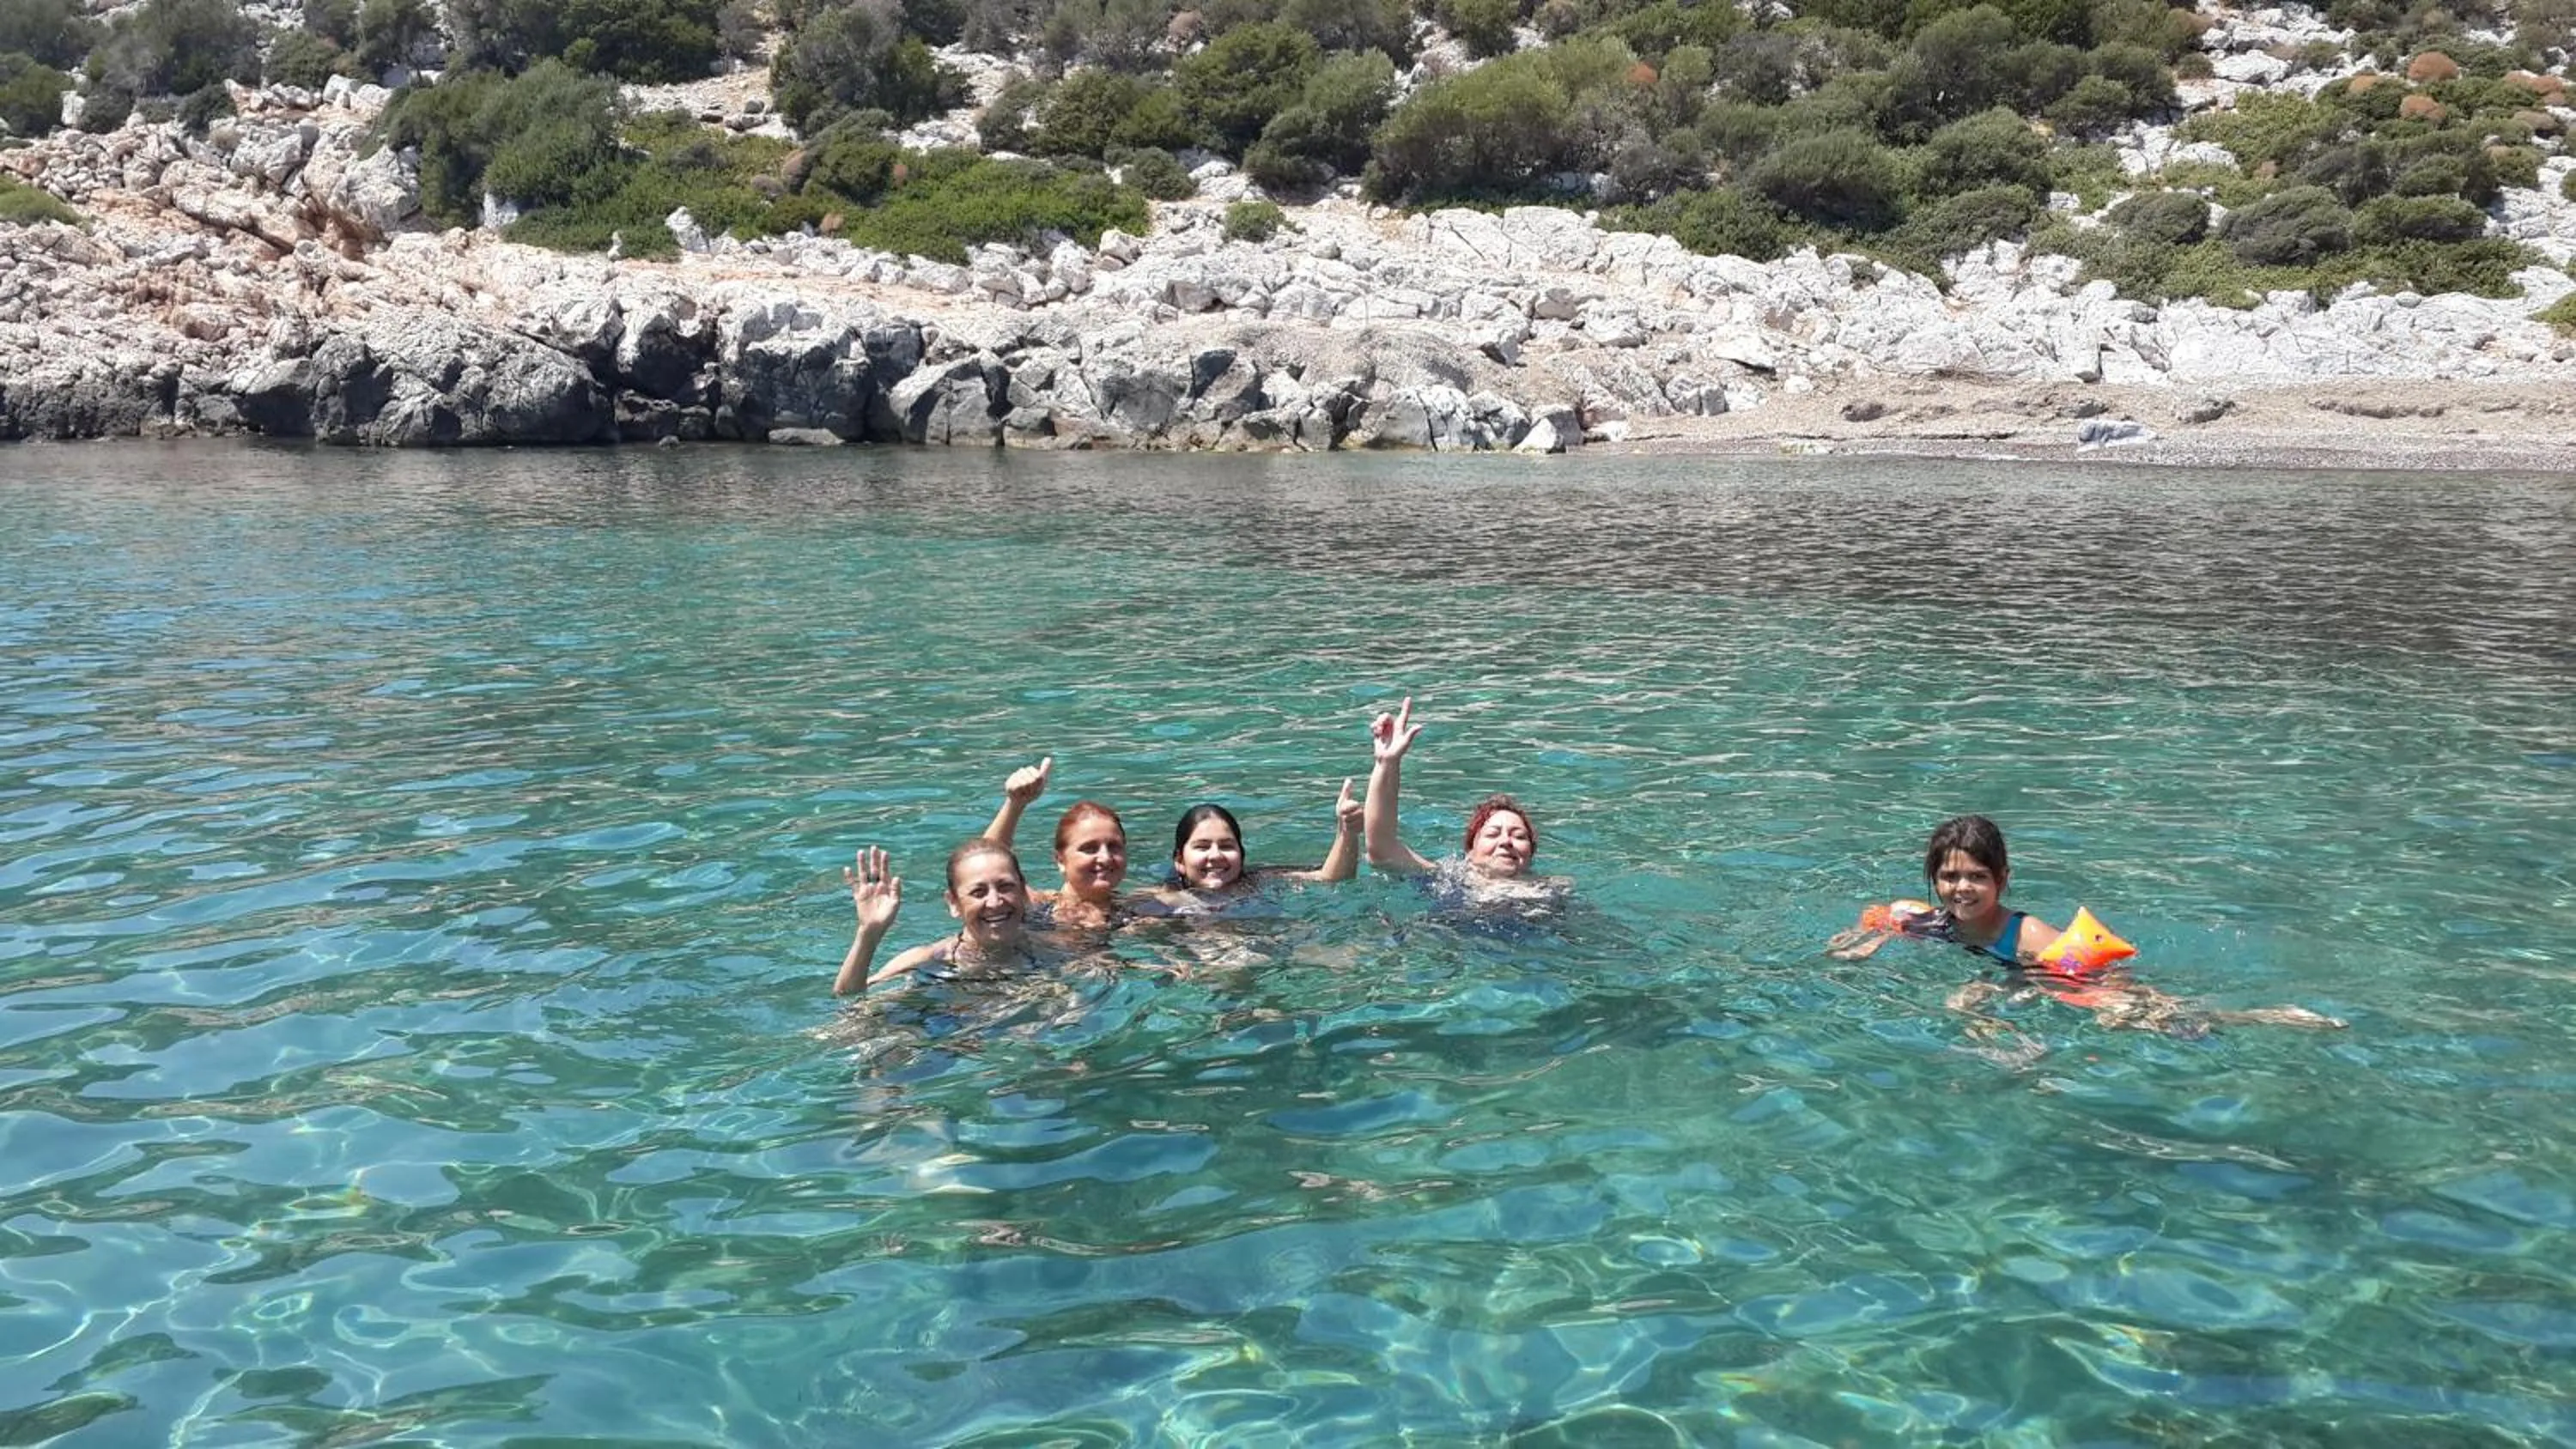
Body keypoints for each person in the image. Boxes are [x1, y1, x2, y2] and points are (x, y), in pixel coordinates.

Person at [1829, 815, 2344, 1034]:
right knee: (1965, 1003)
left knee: (2159, 1017)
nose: (1961, 888)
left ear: (2002, 880)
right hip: (2023, 978)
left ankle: (2266, 1015)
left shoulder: (2029, 935)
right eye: (1949, 877)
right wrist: (1868, 938)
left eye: (1977, 878)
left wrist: (2007, 993)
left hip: (2071, 978)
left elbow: (2076, 976)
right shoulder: (1930, 917)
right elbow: (1886, 916)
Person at [1363, 696, 1565, 901]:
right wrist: (1386, 764)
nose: (1506, 841)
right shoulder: (1447, 879)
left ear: (1531, 854)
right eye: (1493, 834)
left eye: (1519, 836)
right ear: (1470, 851)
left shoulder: (1552, 892)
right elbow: (1381, 849)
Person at [833, 839, 1063, 994]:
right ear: (954, 904)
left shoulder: (1055, 950)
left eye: (1005, 887)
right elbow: (850, 1000)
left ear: (1023, 892)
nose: (995, 902)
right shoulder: (929, 960)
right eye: (978, 892)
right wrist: (869, 934)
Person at [1139, 786, 1363, 912]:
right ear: (1179, 860)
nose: (1215, 855)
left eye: (1226, 846)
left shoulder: (1258, 883)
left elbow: (1331, 878)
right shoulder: (1165, 900)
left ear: (1241, 855)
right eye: (1202, 847)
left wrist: (1347, 831)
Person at [981, 756, 1129, 931]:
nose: (1105, 858)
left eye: (1113, 846)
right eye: (1089, 849)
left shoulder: (1138, 908)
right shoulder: (1036, 906)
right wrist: (1015, 804)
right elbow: (986, 860)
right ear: (1060, 860)